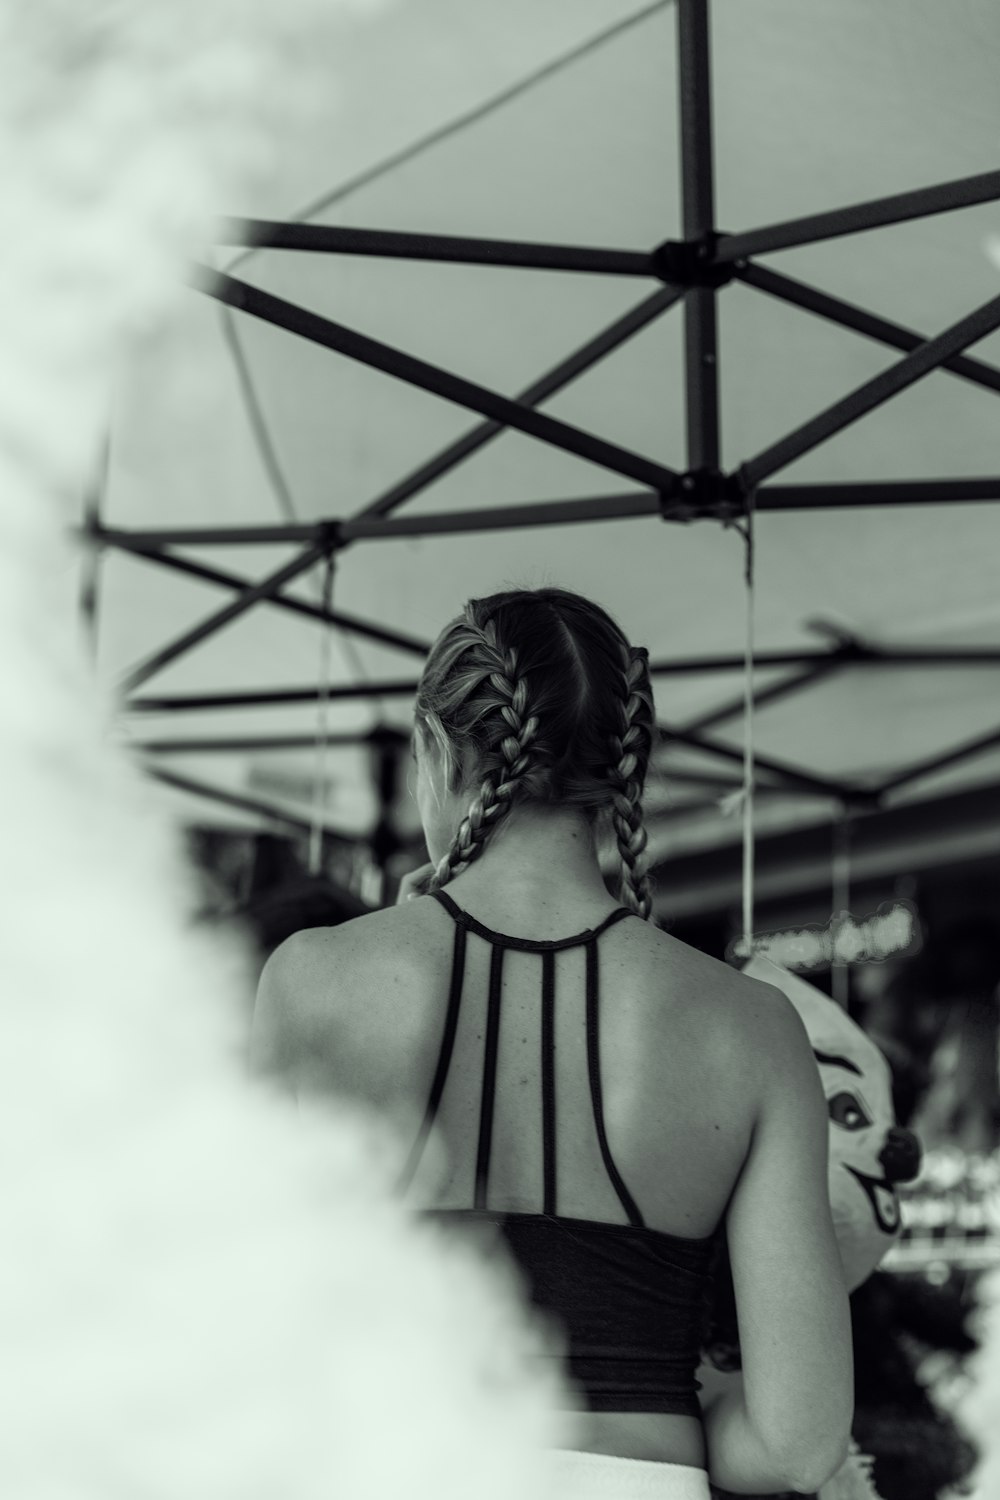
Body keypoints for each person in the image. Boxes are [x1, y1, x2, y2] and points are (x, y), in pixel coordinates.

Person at [252, 587, 853, 1499]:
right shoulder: (752, 1026)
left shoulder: (312, 981)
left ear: (432, 750)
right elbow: (798, 1444)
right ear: (628, 771)